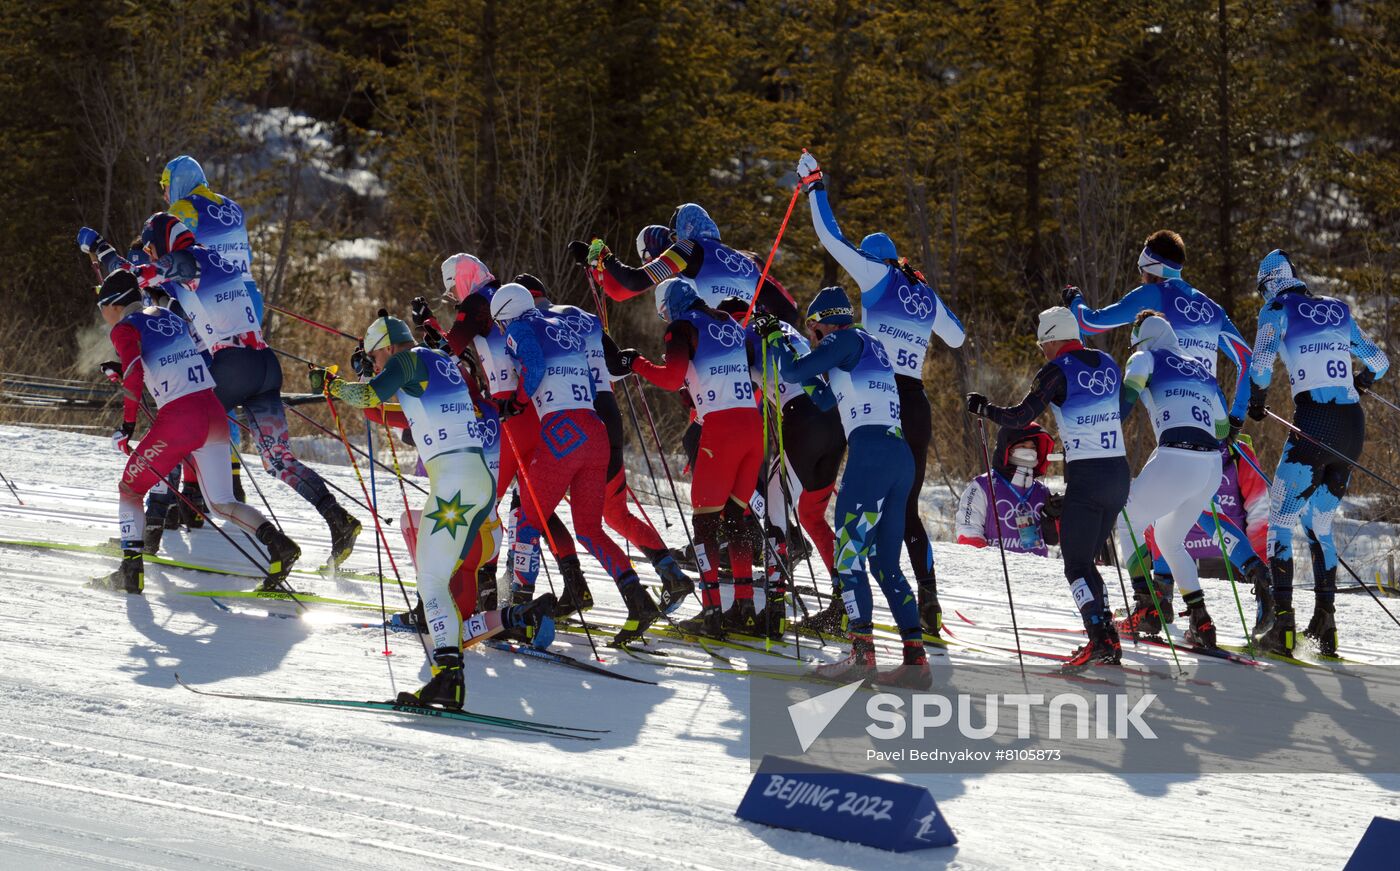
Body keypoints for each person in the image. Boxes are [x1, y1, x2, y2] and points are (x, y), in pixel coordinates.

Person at [78, 217, 362, 566]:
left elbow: (133, 275)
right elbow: (136, 274)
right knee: (277, 460)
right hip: (264, 363)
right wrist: (109, 254)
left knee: (179, 426)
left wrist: (102, 248)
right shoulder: (213, 260)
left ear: (163, 243)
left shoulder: (187, 261)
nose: (151, 255)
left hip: (233, 364)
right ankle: (338, 519)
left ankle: (149, 530)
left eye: (153, 248)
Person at [311, 313, 554, 710]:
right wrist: (357, 385)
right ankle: (450, 672)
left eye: (375, 357)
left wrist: (334, 385)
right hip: (478, 484)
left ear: (389, 346)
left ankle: (448, 680)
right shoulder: (440, 364)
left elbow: (370, 395)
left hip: (454, 483)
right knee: (440, 580)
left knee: (431, 583)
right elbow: (394, 406)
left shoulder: (407, 360)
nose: (374, 364)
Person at [796, 150, 965, 639]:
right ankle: (928, 607)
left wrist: (815, 186)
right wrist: (925, 297)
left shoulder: (877, 273)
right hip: (917, 402)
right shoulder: (918, 287)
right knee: (904, 508)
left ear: (876, 258)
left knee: (857, 503)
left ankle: (850, 609)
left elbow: (831, 237)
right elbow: (955, 337)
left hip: (876, 396)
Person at [87, 269, 299, 593]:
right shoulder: (167, 317)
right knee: (221, 503)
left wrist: (126, 426)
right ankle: (279, 545)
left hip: (180, 419)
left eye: (102, 306)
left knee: (130, 488)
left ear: (113, 304)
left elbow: (133, 374)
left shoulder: (124, 328)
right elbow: (159, 361)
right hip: (213, 412)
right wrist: (127, 368)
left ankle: (130, 571)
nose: (103, 315)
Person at [759, 286, 929, 688]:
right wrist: (792, 352)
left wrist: (777, 341)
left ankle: (861, 656)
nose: (813, 337)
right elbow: (821, 399)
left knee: (849, 558)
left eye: (812, 330)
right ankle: (915, 659)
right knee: (885, 564)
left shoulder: (844, 337)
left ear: (822, 325)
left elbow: (794, 373)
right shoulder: (867, 346)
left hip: (870, 456)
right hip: (897, 455)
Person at [510, 272, 695, 612]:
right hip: (605, 412)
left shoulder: (533, 324)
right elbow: (615, 363)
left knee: (547, 507)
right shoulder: (580, 316)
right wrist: (631, 361)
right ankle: (668, 574)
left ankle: (562, 588)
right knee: (612, 515)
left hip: (576, 417)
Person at [490, 282, 662, 646]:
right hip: (594, 429)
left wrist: (518, 402)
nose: (503, 332)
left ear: (504, 315)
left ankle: (518, 609)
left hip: (562, 432)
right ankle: (638, 600)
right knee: (589, 529)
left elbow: (533, 366)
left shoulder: (520, 327)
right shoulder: (561, 324)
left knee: (527, 522)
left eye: (500, 324)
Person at [966, 307, 1128, 672]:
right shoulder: (1107, 362)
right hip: (1118, 472)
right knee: (1087, 560)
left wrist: (985, 409)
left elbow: (1021, 417)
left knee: (1075, 565)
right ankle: (1106, 635)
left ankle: (1099, 638)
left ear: (1053, 339)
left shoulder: (1056, 370)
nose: (1043, 351)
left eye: (1043, 344)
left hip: (1087, 477)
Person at [1246, 249, 1389, 657]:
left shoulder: (1276, 309)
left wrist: (1256, 401)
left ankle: (1283, 627)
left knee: (1279, 521)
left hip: (1314, 424)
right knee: (1319, 523)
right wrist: (1361, 380)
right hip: (1351, 428)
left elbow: (1260, 364)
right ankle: (1325, 625)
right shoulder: (1337, 309)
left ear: (1270, 283)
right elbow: (1379, 362)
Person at [421, 254, 582, 613]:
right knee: (531, 503)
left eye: (453, 288)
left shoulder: (478, 302)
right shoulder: (495, 297)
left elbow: (450, 351)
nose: (454, 296)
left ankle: (485, 594)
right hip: (533, 408)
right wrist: (433, 326)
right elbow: (463, 344)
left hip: (512, 410)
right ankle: (573, 583)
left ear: (463, 279)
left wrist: (422, 346)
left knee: (485, 503)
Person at [609, 278, 767, 638]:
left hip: (722, 431)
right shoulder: (727, 321)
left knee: (705, 523)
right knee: (737, 519)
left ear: (670, 307)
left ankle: (711, 612)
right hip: (751, 425)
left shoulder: (682, 327)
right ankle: (744, 608)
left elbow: (669, 378)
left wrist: (637, 363)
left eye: (663, 312)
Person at [1112, 312, 1231, 649]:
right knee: (1168, 537)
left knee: (1126, 520)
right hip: (1210, 466)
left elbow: (1127, 399)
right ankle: (1201, 620)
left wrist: (1103, 429)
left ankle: (1145, 608)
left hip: (1177, 456)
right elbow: (1222, 430)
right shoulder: (1201, 368)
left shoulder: (1143, 357)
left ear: (1139, 337)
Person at [1063, 229, 1253, 425]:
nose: (1142, 278)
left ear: (1153, 269)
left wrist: (1074, 299)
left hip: (1174, 410)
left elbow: (1088, 323)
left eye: (1141, 270)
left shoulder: (1153, 294)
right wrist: (1237, 417)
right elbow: (1248, 360)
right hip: (1214, 414)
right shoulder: (1214, 309)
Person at [1128, 437, 1271, 636]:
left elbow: (1258, 510)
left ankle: (1160, 598)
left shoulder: (1239, 453)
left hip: (1176, 451)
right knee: (1201, 510)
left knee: (1149, 512)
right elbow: (1259, 511)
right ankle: (1259, 578)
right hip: (1224, 547)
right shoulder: (1232, 446)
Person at [574, 207, 799, 322]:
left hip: (714, 343)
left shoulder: (688, 248)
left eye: (674, 238)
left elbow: (632, 283)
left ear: (684, 231)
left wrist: (603, 258)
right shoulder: (745, 261)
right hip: (751, 349)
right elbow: (789, 311)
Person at [955, 423, 1060, 557]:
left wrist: (1053, 517)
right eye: (1022, 446)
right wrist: (985, 563)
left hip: (1035, 571)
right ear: (1008, 448)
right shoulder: (983, 485)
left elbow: (1053, 539)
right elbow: (967, 530)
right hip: (996, 571)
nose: (1029, 451)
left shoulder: (1041, 490)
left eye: (1033, 447)